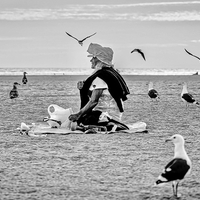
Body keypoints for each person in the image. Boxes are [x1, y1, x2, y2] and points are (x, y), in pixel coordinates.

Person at [69, 43, 130, 132]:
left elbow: (93, 101)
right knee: (82, 119)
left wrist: (78, 114)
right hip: (113, 114)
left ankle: (100, 126)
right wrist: (83, 86)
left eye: (93, 58)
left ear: (99, 59)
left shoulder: (101, 76)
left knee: (83, 120)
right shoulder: (109, 73)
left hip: (107, 115)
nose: (91, 61)